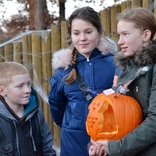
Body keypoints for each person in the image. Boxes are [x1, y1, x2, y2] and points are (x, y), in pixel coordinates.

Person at [48, 6, 120, 156]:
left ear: (100, 33)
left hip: (108, 144)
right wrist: (73, 125)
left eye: (88, 32)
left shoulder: (115, 65)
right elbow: (57, 108)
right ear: (71, 35)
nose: (82, 38)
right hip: (73, 145)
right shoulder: (63, 72)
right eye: (76, 33)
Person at [88, 7, 156, 156]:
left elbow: (154, 122)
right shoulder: (125, 70)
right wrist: (99, 143)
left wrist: (114, 148)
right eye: (119, 35)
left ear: (146, 35)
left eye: (125, 34)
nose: (120, 42)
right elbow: (116, 113)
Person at [0, 61, 56, 156]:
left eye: (28, 84)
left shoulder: (38, 115)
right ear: (2, 91)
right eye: (20, 86)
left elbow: (47, 149)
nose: (28, 90)